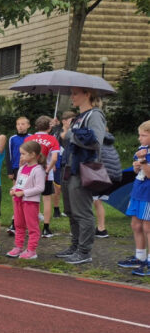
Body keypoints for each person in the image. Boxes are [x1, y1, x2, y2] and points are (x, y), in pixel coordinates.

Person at [57, 86, 108, 264]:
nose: (72, 96)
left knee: (82, 212)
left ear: (87, 94)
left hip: (82, 169)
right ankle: (75, 246)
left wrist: (70, 134)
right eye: (71, 93)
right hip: (69, 168)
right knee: (71, 211)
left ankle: (84, 251)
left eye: (75, 93)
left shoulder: (95, 115)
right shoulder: (78, 117)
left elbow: (96, 142)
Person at [118, 121, 150, 275]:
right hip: (138, 190)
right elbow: (138, 171)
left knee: (148, 228)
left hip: (148, 194)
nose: (140, 138)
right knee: (136, 225)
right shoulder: (141, 150)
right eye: (139, 135)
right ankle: (140, 257)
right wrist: (137, 166)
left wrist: (143, 161)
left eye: (144, 135)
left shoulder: (145, 154)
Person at [6, 141, 46, 260]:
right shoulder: (22, 168)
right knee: (18, 225)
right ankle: (18, 247)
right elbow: (18, 184)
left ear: (33, 154)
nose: (21, 157)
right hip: (18, 201)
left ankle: (31, 250)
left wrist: (24, 193)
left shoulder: (38, 170)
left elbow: (40, 188)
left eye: (23, 154)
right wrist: (13, 190)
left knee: (32, 226)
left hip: (30, 202)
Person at [25, 116, 60, 238]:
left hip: (31, 172)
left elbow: (24, 156)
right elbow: (55, 158)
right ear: (49, 127)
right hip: (46, 174)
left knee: (32, 200)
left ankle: (32, 227)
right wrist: (48, 170)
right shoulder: (52, 139)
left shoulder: (29, 139)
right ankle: (46, 228)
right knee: (46, 200)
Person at [6, 116, 31, 235]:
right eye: (18, 124)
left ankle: (28, 218)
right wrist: (10, 171)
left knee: (27, 193)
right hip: (16, 168)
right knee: (15, 192)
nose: (20, 126)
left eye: (23, 124)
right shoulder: (12, 139)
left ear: (28, 125)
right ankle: (15, 218)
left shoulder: (31, 137)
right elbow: (9, 155)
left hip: (30, 168)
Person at [50, 111, 75, 218]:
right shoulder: (56, 131)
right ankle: (56, 209)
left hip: (70, 161)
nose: (74, 122)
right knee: (57, 186)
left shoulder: (74, 131)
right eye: (71, 120)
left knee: (70, 186)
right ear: (64, 121)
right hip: (58, 160)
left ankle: (69, 208)